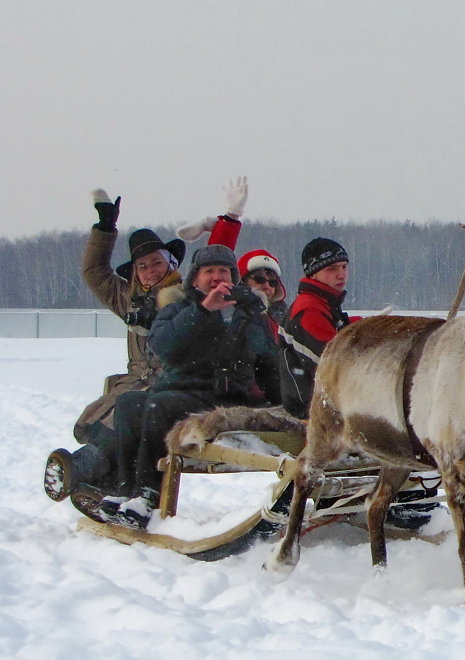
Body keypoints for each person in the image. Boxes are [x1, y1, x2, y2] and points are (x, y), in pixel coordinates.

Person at [44, 182, 249, 502]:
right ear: (135, 274)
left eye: (157, 262)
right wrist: (104, 227)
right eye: (143, 266)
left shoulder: (186, 294)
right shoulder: (129, 300)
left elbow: (215, 264)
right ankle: (104, 485)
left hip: (172, 385)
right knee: (107, 424)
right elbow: (94, 271)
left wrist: (229, 219)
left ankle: (82, 469)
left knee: (125, 422)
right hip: (133, 384)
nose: (151, 271)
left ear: (172, 264)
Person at [99, 244, 281, 528]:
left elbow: (268, 362)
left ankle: (148, 494)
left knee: (160, 405)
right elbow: (162, 346)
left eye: (223, 270)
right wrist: (203, 310)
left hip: (222, 396)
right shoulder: (179, 307)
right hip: (180, 389)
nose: (216, 277)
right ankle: (124, 489)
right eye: (209, 271)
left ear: (232, 276)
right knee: (128, 403)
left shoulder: (248, 313)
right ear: (195, 278)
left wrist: (282, 402)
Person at [278, 237, 360, 417]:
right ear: (313, 273)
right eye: (332, 269)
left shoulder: (324, 303)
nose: (341, 274)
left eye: (344, 267)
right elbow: (330, 365)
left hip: (324, 402)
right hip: (311, 409)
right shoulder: (309, 310)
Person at [237, 249, 288, 337]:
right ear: (243, 281)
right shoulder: (232, 313)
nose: (267, 286)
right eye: (260, 279)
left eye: (272, 282)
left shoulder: (285, 320)